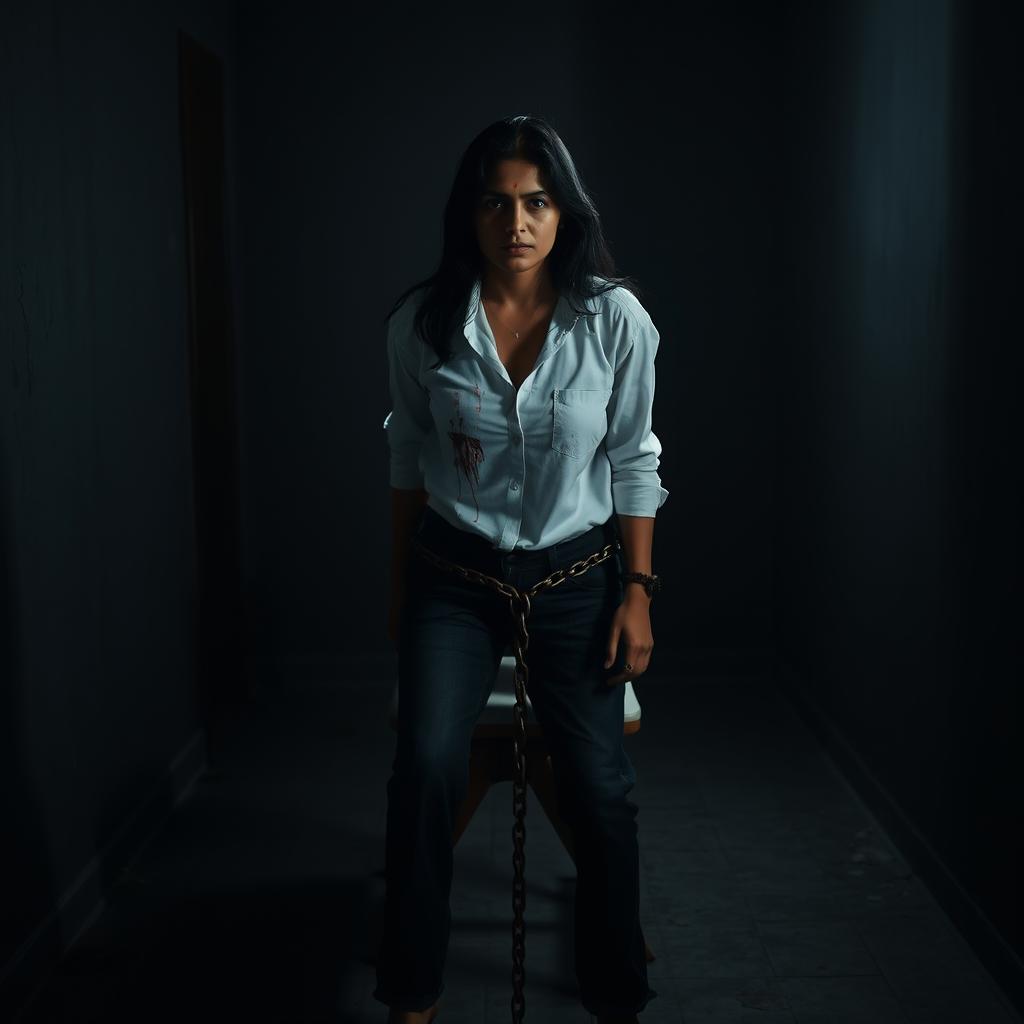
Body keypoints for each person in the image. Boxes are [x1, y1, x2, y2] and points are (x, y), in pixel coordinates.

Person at [374, 114, 668, 1024]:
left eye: (536, 202)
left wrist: (637, 593)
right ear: (471, 214)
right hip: (453, 583)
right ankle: (411, 989)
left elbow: (635, 457)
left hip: (576, 583)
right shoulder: (422, 324)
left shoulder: (614, 319)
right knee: (423, 766)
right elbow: (406, 465)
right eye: (497, 203)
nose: (518, 223)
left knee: (600, 789)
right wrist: (403, 601)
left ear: (563, 212)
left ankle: (615, 991)